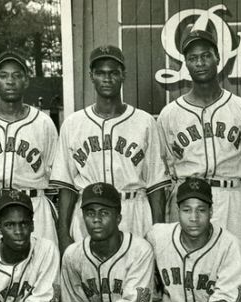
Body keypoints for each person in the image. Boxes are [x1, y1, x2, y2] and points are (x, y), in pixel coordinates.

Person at [52, 45, 170, 249]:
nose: (107, 79)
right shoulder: (73, 123)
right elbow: (66, 186)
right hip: (89, 215)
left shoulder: (144, 122)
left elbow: (156, 185)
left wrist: (158, 232)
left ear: (123, 75)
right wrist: (63, 234)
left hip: (133, 209)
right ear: (91, 76)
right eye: (100, 73)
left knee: (136, 278)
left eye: (113, 73)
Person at [156, 29, 241, 252]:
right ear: (186, 64)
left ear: (217, 58)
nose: (200, 63)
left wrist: (235, 195)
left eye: (205, 55)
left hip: (229, 195)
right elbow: (165, 166)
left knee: (236, 270)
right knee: (189, 270)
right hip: (186, 199)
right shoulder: (169, 114)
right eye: (193, 58)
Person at [0, 50, 59, 258]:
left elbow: (53, 178)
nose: (10, 81)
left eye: (17, 75)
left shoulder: (43, 123)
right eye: (3, 75)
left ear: (26, 81)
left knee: (40, 268)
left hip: (34, 205)